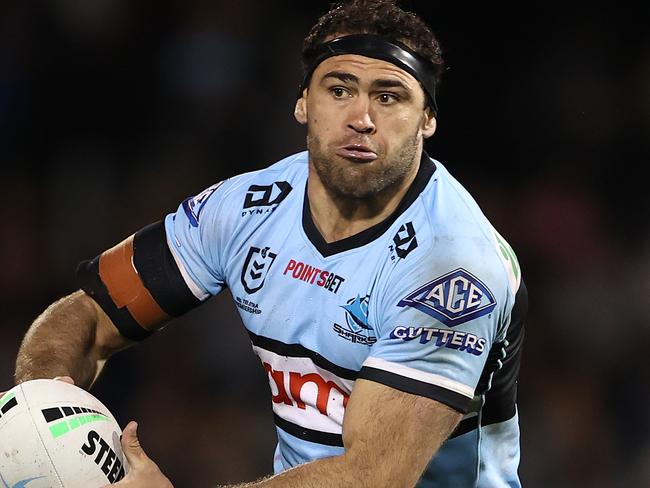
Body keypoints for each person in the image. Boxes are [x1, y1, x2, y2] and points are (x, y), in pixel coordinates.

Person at [5, 0, 528, 486]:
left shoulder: (452, 269)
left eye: (389, 97)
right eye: (339, 89)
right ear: (303, 103)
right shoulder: (248, 206)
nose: (361, 119)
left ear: (428, 119)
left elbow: (372, 477)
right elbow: (91, 313)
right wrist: (43, 399)